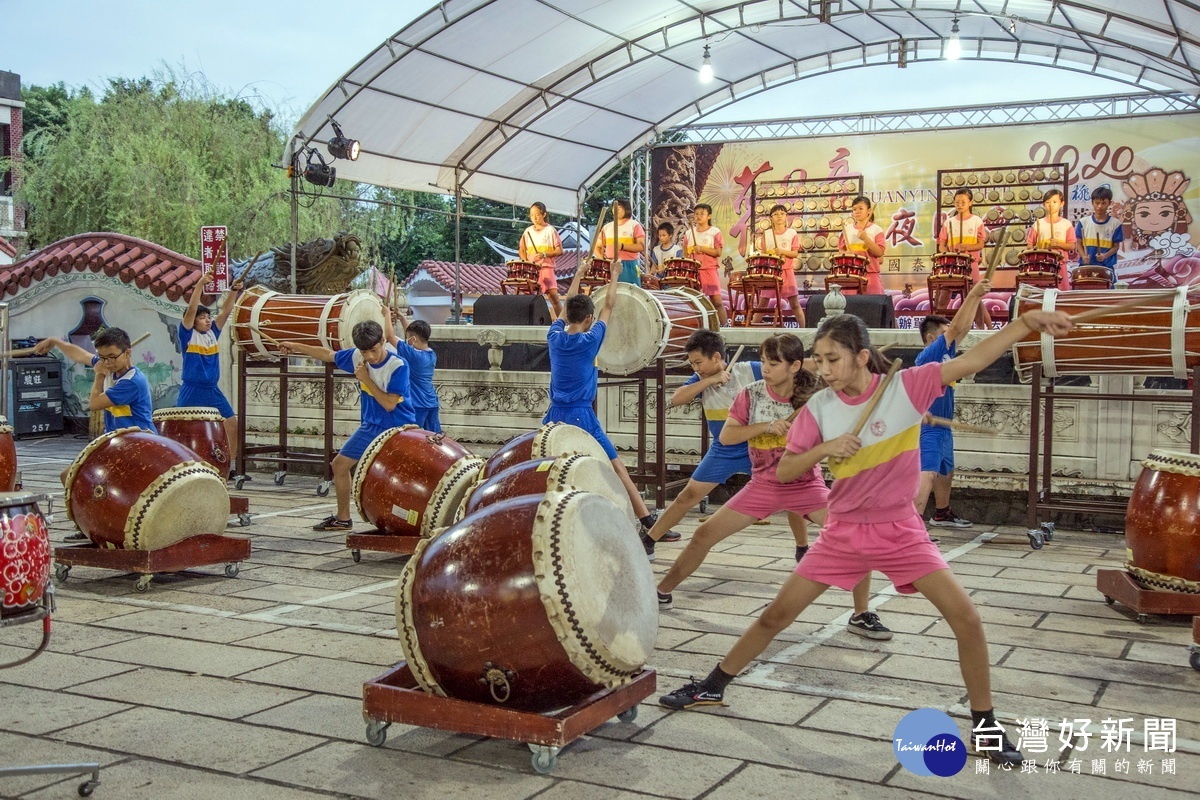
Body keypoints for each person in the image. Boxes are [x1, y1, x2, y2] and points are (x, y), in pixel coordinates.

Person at [656, 308, 1077, 768]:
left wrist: (1027, 324)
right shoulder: (819, 407)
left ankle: (985, 726)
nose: (825, 370)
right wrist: (825, 448)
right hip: (844, 531)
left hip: (902, 531)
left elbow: (971, 360)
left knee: (968, 620)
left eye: (833, 359)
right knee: (775, 615)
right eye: (819, 360)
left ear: (860, 357)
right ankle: (712, 685)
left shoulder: (907, 387)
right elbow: (790, 469)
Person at [651, 332, 890, 641]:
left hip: (806, 485)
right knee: (703, 535)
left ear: (794, 367)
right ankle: (661, 591)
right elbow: (727, 437)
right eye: (763, 361)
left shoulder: (816, 395)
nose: (765, 368)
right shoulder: (751, 394)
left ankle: (861, 614)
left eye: (773, 363)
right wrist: (766, 426)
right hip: (763, 484)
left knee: (856, 536)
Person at [545, 263, 668, 538]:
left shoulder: (553, 337)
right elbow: (609, 305)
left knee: (549, 471)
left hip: (553, 415)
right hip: (581, 416)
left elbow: (564, 311)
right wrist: (614, 275)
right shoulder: (590, 340)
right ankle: (647, 521)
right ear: (589, 318)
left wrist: (577, 275)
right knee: (617, 467)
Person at [277, 321, 415, 531]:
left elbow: (389, 404)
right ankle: (343, 518)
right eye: (364, 351)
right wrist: (295, 346)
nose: (368, 356)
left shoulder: (398, 365)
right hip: (371, 427)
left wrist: (366, 379)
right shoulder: (356, 357)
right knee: (339, 465)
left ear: (384, 342)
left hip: (397, 428)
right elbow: (328, 355)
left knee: (398, 477)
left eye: (373, 350)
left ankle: (406, 520)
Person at [38, 328, 156, 506]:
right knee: (68, 476)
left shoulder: (132, 382)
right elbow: (80, 355)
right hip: (114, 441)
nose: (107, 362)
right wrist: (56, 341)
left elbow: (94, 404)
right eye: (102, 357)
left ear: (127, 353)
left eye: (112, 357)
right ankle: (84, 523)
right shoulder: (109, 364)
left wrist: (99, 376)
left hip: (138, 443)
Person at [914, 279, 991, 532]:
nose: (952, 334)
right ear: (931, 337)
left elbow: (964, 326)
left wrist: (976, 299)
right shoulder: (930, 354)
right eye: (945, 331)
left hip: (943, 426)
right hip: (929, 425)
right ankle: (912, 526)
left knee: (946, 472)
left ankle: (942, 512)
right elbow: (958, 325)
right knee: (928, 473)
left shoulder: (946, 352)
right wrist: (973, 294)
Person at [179, 268, 245, 478]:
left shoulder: (212, 334)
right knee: (183, 429)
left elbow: (225, 312)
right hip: (192, 390)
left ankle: (230, 466)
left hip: (212, 390)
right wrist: (200, 284)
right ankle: (181, 466)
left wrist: (234, 291)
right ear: (193, 321)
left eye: (208, 317)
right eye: (202, 317)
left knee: (231, 422)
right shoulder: (187, 335)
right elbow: (191, 308)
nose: (207, 320)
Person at [935, 188, 991, 329]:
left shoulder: (976, 221)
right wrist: (947, 252)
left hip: (970, 264)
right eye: (957, 202)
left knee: (975, 299)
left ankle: (985, 330)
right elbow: (941, 245)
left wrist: (966, 247)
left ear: (970, 203)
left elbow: (981, 244)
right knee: (943, 297)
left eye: (963, 202)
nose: (959, 205)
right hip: (953, 265)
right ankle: (936, 329)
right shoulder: (949, 222)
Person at [384, 307, 440, 433]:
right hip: (432, 403)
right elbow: (411, 335)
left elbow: (389, 336)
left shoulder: (413, 355)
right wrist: (402, 317)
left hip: (417, 405)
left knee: (413, 437)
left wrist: (386, 314)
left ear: (413, 339)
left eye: (408, 337)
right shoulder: (431, 354)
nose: (406, 339)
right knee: (433, 438)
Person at [755, 203, 806, 326]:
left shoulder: (792, 233)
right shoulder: (766, 234)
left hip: (787, 272)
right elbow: (764, 254)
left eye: (782, 214)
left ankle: (805, 330)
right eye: (776, 214)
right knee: (763, 303)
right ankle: (750, 328)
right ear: (771, 217)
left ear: (786, 217)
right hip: (771, 273)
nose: (779, 216)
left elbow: (794, 253)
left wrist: (781, 251)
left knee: (794, 303)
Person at [682, 204, 729, 327]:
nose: (698, 216)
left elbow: (718, 252)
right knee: (693, 300)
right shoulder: (688, 234)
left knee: (716, 300)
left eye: (701, 213)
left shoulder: (714, 232)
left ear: (709, 216)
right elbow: (685, 254)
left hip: (709, 269)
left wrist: (702, 248)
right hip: (693, 271)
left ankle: (725, 327)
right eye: (696, 214)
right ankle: (696, 327)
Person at [519, 202, 565, 316]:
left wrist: (545, 254)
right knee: (527, 296)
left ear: (544, 214)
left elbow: (560, 250)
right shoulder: (527, 231)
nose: (534, 217)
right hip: (531, 269)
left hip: (546, 267)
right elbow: (521, 250)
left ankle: (564, 322)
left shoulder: (550, 230)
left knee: (553, 296)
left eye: (537, 214)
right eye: (532, 214)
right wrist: (526, 261)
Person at [1026, 189, 1077, 291]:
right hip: (1042, 266)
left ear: (1061, 203)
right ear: (1044, 204)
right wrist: (1036, 251)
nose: (1051, 205)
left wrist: (1058, 243)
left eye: (1054, 202)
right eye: (1048, 202)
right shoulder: (1038, 224)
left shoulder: (1066, 224)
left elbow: (1072, 246)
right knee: (1042, 294)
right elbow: (1029, 245)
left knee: (1061, 294)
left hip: (1059, 265)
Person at [837, 196, 886, 294]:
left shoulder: (876, 230)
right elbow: (841, 251)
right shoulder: (846, 230)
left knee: (872, 306)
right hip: (851, 274)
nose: (857, 211)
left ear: (869, 211)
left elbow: (879, 253)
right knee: (850, 307)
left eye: (860, 208)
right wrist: (846, 253)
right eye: (854, 209)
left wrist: (865, 238)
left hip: (871, 274)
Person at [1075, 186, 1123, 284]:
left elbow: (1116, 247)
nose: (1100, 206)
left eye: (1103, 203)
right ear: (1092, 202)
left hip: (1106, 266)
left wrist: (1105, 255)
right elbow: (1078, 244)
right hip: (1086, 266)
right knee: (1083, 293)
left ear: (1109, 203)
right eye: (1097, 203)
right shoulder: (1083, 222)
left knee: (1106, 295)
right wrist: (1083, 256)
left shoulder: (1115, 224)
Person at [593, 198, 646, 287]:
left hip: (628, 264)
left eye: (620, 207)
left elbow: (641, 246)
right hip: (610, 263)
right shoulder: (607, 227)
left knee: (628, 291)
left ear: (627, 208)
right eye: (614, 207)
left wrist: (622, 246)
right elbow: (596, 246)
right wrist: (603, 259)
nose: (616, 209)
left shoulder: (634, 225)